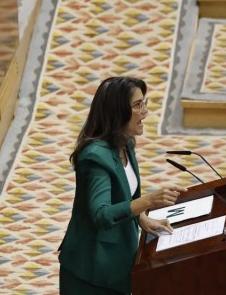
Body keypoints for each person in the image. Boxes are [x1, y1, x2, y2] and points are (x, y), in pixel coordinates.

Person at [59, 76, 184, 294]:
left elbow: (123, 196)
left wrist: (142, 218)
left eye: (144, 103)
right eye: (138, 105)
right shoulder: (95, 158)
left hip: (117, 259)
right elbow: (101, 214)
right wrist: (148, 201)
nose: (145, 111)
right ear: (117, 112)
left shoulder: (125, 143)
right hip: (92, 271)